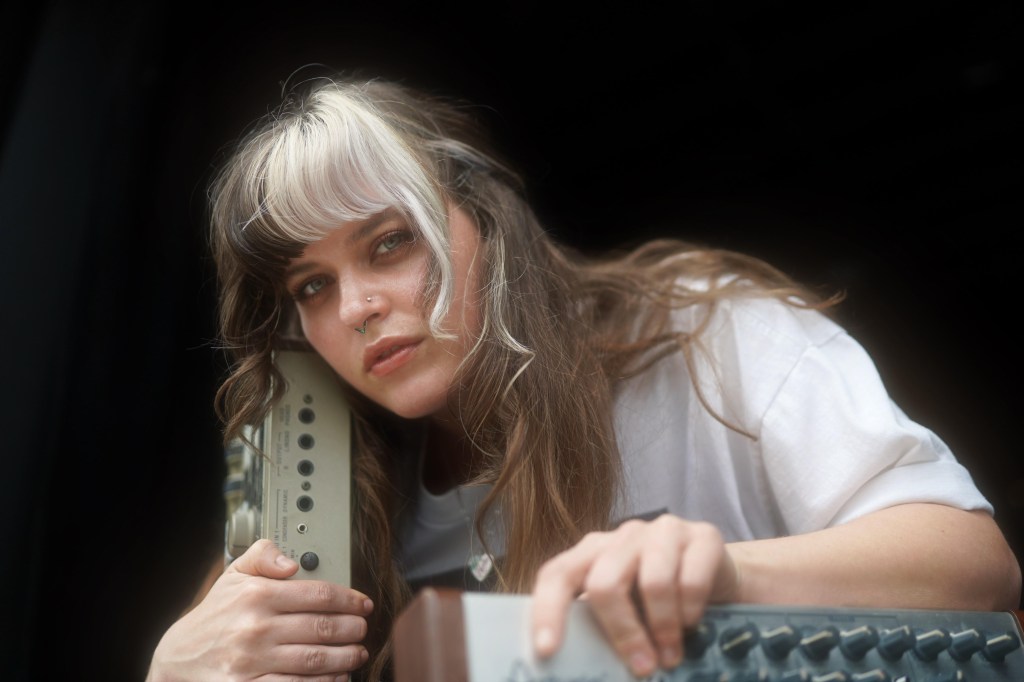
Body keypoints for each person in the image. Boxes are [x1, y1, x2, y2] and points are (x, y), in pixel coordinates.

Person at [146, 74, 1021, 682]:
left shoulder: (712, 334)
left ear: (484, 222)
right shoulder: (314, 482)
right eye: (311, 287)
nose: (358, 307)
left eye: (389, 242)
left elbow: (976, 565)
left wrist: (725, 573)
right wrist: (178, 666)